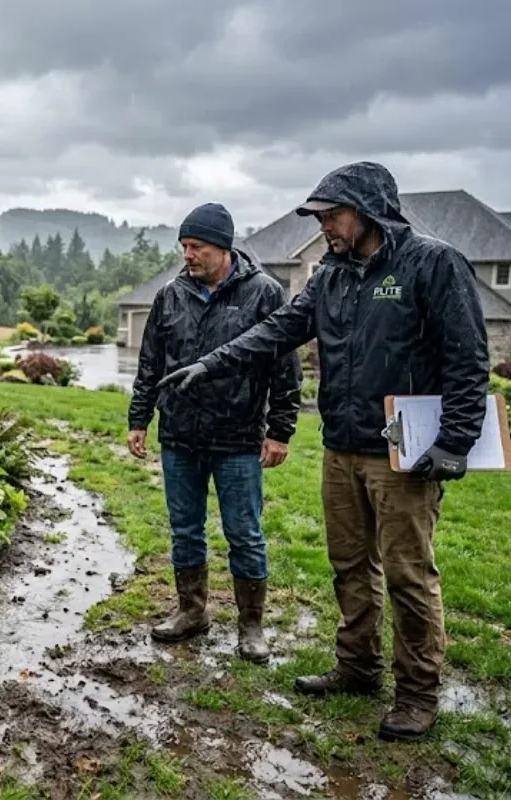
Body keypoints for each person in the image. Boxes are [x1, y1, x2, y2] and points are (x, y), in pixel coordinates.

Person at [157, 163, 490, 742]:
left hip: (404, 453)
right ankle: (358, 668)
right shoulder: (332, 274)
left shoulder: (432, 264)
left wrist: (455, 441)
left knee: (410, 576)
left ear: (367, 211)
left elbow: (468, 360)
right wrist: (212, 362)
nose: (324, 227)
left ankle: (417, 693)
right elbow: (279, 329)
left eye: (331, 216)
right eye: (320, 217)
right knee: (349, 565)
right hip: (342, 445)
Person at [127, 202, 302, 664]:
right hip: (180, 435)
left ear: (223, 248)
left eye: (197, 246)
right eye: (184, 246)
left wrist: (280, 429)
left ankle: (251, 626)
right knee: (185, 530)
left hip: (238, 439)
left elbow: (284, 364)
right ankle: (192, 612)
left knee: (244, 533)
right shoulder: (170, 296)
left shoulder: (263, 293)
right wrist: (138, 419)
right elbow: (150, 364)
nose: (188, 255)